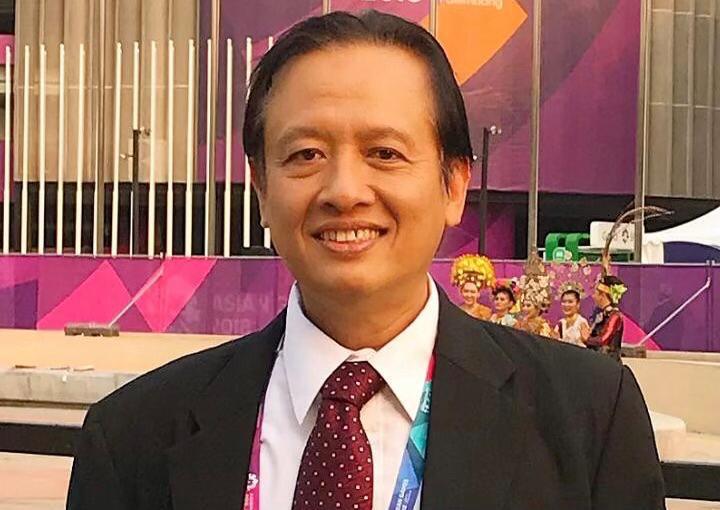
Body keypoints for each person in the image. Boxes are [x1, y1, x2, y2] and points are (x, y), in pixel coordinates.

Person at [67, 10, 665, 510]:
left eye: (384, 152)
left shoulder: (588, 418)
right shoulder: (133, 437)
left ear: (454, 184)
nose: (344, 190)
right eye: (306, 154)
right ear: (262, 189)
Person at [587, 274, 627, 362]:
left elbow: (603, 340)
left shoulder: (615, 316)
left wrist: (586, 338)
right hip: (599, 360)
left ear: (602, 295)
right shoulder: (602, 315)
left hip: (610, 363)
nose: (593, 296)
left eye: (595, 293)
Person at [515, 253, 555, 338]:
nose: (525, 309)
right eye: (524, 305)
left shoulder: (543, 327)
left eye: (528, 305)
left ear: (538, 307)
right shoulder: (520, 324)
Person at [450, 254, 495, 320]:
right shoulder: (457, 311)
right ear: (461, 292)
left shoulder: (486, 313)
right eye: (466, 291)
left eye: (473, 292)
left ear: (478, 293)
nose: (469, 295)